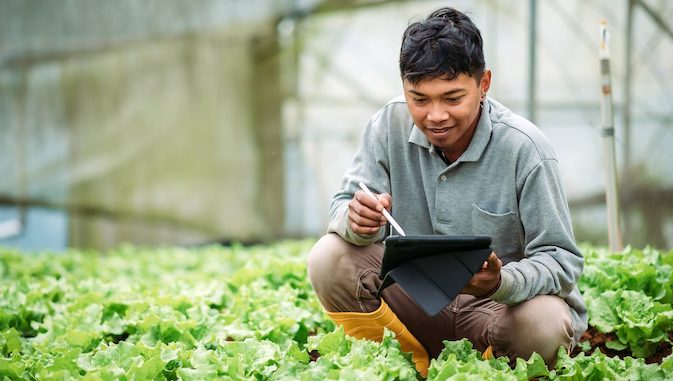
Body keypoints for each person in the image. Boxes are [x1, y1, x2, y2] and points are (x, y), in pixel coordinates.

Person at [306, 6, 587, 377]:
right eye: (419, 99)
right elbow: (344, 204)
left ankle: (485, 368)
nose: (435, 116)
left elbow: (561, 259)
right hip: (413, 303)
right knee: (330, 257)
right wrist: (356, 221)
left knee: (544, 323)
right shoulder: (387, 124)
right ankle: (406, 362)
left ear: (484, 83)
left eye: (453, 98)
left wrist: (502, 282)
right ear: (404, 86)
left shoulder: (524, 149)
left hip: (494, 311)